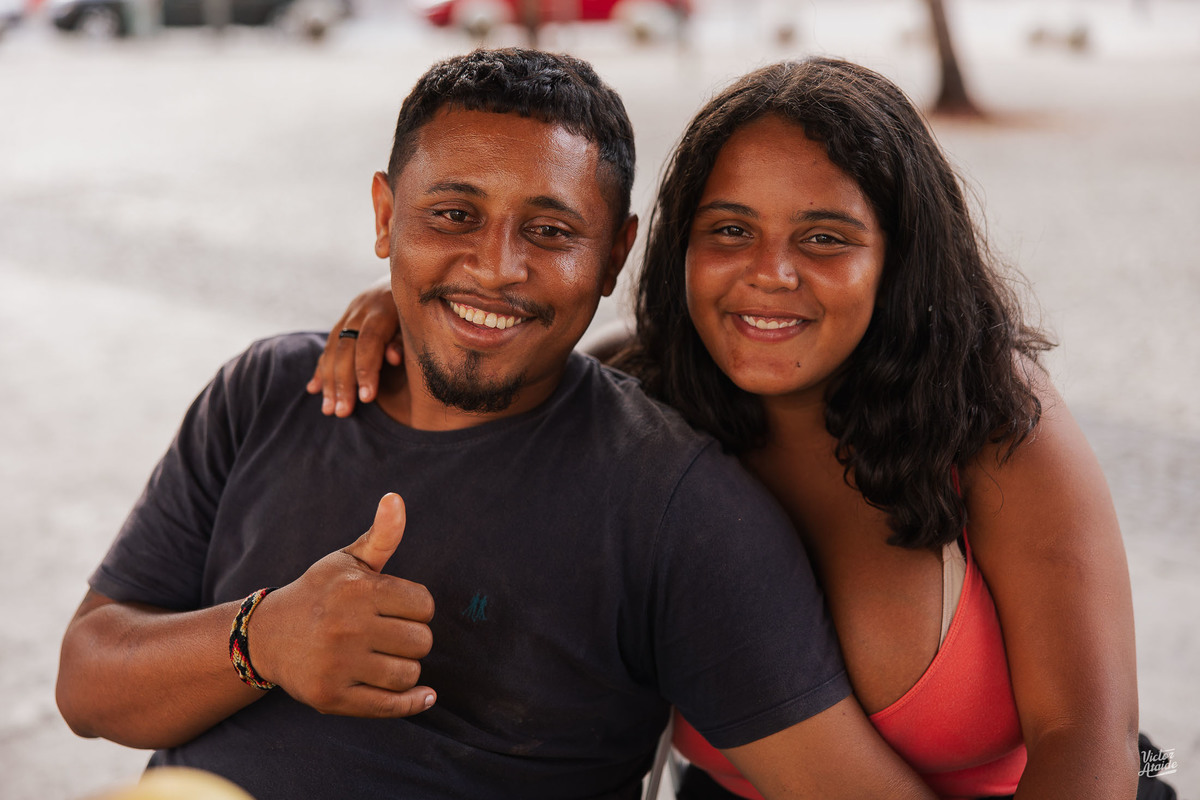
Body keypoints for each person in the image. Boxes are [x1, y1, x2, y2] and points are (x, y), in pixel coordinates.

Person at [56, 49, 938, 800]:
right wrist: (260, 640)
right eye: (453, 216)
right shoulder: (267, 393)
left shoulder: (678, 508)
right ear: (383, 215)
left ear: (615, 257)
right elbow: (88, 682)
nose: (495, 267)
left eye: (551, 231)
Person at [312, 57, 1175, 800]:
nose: (771, 274)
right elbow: (498, 328)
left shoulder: (985, 413)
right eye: (730, 231)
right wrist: (396, 307)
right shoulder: (640, 392)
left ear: (897, 256)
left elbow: (1087, 745)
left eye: (825, 237)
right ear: (678, 246)